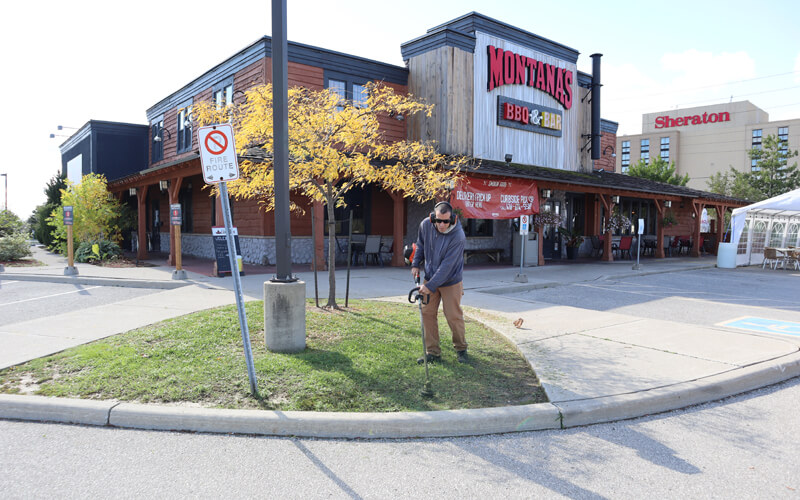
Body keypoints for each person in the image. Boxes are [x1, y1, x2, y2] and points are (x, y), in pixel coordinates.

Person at [410, 201, 468, 364]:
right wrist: (416, 263)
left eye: (446, 221)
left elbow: (447, 267)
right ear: (433, 217)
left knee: (452, 315)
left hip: (451, 281)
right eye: (438, 220)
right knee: (427, 313)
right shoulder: (425, 225)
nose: (441, 225)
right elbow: (420, 245)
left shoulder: (458, 236)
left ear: (452, 219)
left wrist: (429, 286)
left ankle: (461, 348)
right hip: (430, 276)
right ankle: (433, 352)